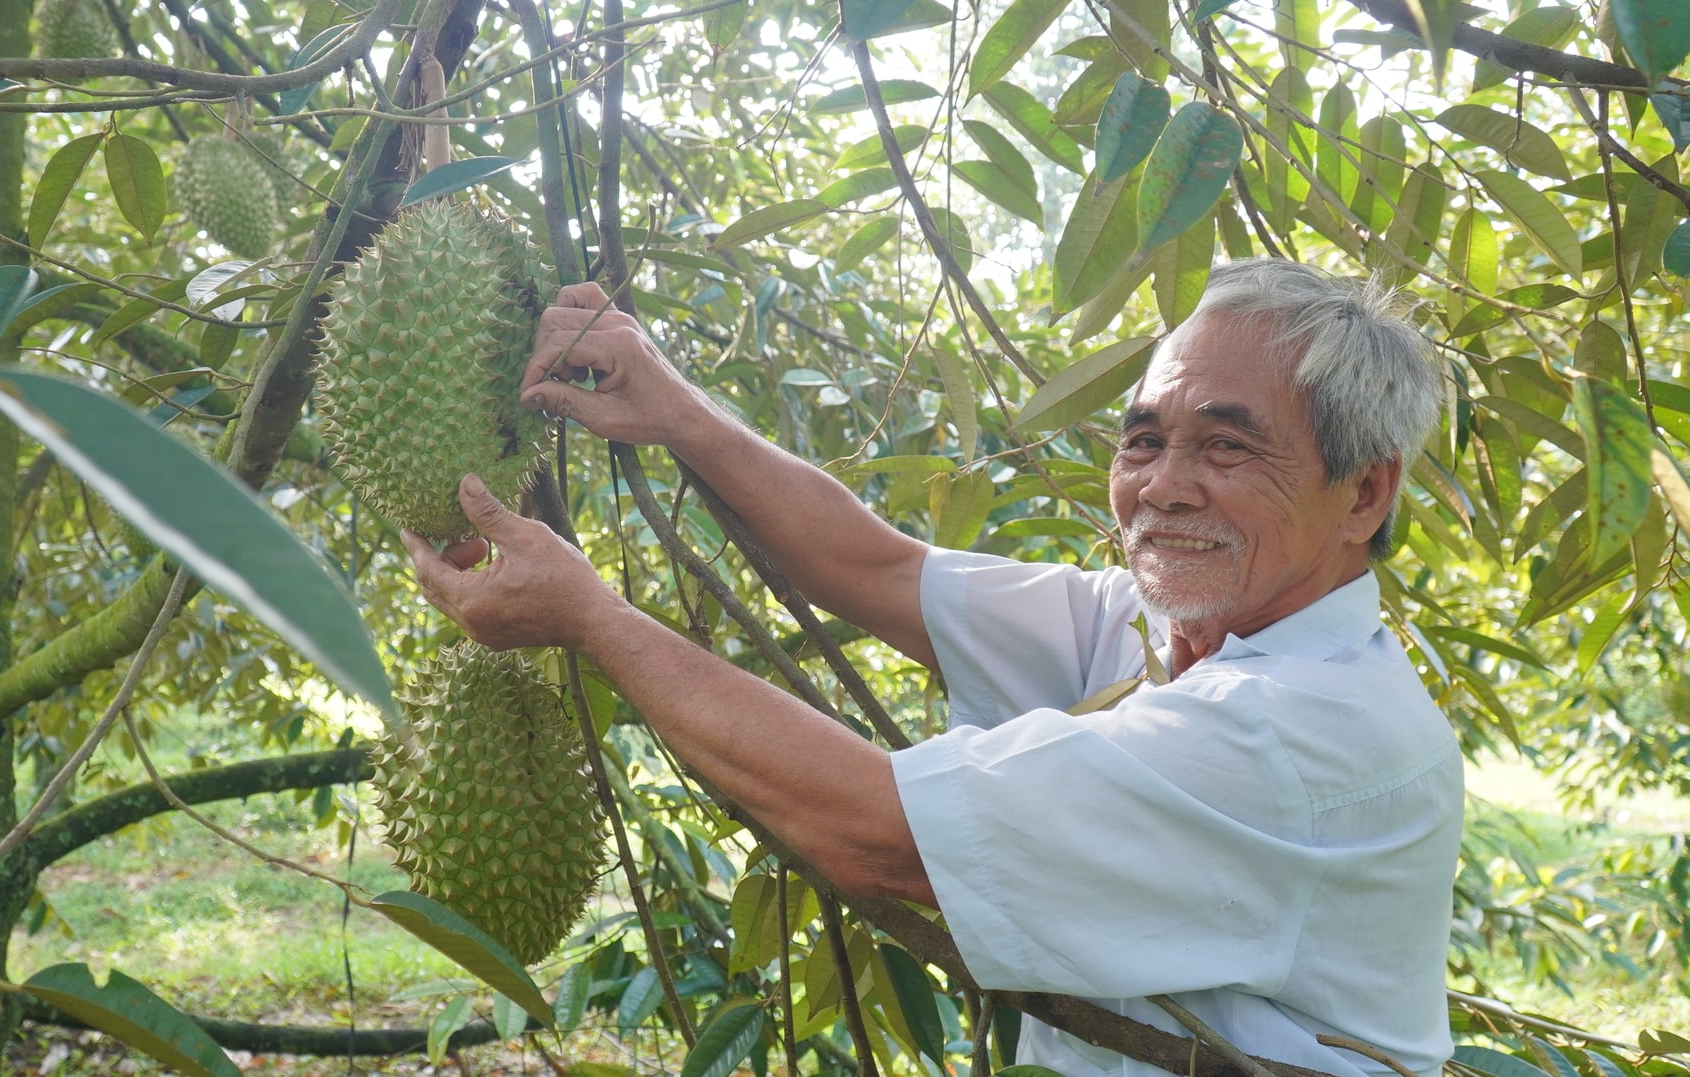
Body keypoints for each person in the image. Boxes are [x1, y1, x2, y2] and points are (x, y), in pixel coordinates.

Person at [401, 259, 1462, 1077]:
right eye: (1142, 441)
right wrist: (679, 411)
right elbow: (871, 565)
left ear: (1364, 495)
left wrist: (593, 617)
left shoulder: (1301, 729)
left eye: (1227, 449)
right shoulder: (1149, 631)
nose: (1166, 487)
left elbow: (882, 835)